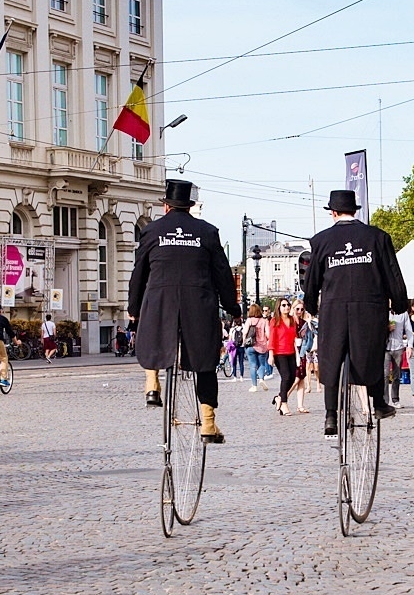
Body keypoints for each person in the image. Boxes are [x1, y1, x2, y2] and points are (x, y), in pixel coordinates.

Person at [127, 179, 241, 442]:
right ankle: (209, 425)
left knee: (150, 333)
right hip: (198, 303)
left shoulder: (152, 231)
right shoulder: (207, 232)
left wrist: (134, 308)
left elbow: (139, 273)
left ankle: (152, 384)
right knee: (205, 361)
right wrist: (233, 308)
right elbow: (223, 275)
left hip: (160, 300)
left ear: (166, 206)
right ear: (189, 206)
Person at [302, 189, 409, 438]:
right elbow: (392, 274)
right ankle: (379, 404)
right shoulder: (377, 237)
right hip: (369, 307)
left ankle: (330, 415)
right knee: (371, 351)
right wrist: (400, 303)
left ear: (333, 212)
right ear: (355, 210)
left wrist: (310, 305)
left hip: (334, 307)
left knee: (331, 355)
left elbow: (312, 281)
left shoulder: (321, 241)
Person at [268, 298, 300, 415]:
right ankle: (284, 404)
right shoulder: (275, 321)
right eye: (283, 305)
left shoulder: (292, 320)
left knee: (292, 378)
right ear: (279, 307)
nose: (286, 307)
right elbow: (272, 338)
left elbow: (295, 336)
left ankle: (279, 398)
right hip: (279, 353)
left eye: (288, 305)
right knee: (286, 376)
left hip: (290, 351)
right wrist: (271, 354)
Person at [384, 309, 411, 408]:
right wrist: (387, 329)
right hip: (386, 347)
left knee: (396, 375)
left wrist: (409, 345)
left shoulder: (403, 314)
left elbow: (408, 329)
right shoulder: (383, 310)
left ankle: (395, 399)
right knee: (385, 375)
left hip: (398, 347)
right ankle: (384, 401)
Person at [243, 304, 271, 391]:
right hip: (262, 346)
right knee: (262, 364)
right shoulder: (264, 321)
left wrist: (244, 342)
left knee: (252, 365)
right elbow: (268, 334)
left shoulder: (249, 320)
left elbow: (245, 332)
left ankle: (254, 386)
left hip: (251, 345)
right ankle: (262, 379)